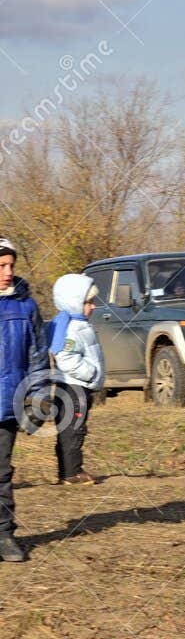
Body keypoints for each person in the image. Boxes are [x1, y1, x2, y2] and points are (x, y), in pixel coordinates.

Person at [0, 237, 48, 563]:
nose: (8, 272)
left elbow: (38, 356)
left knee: (1, 472)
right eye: (1, 266)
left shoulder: (26, 306)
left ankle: (4, 536)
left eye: (11, 265)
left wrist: (37, 396)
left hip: (6, 402)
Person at [47, 273, 103, 486]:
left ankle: (68, 471)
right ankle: (72, 472)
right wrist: (90, 373)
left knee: (71, 429)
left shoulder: (79, 324)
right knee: (73, 430)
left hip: (77, 386)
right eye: (89, 302)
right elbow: (66, 358)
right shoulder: (71, 329)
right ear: (74, 303)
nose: (93, 306)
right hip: (74, 387)